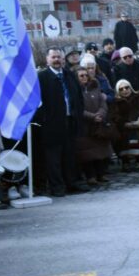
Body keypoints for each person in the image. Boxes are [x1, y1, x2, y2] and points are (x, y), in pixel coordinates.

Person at [36, 47, 88, 196]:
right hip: (51, 125)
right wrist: (44, 120)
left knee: (70, 155)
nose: (57, 60)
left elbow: (78, 97)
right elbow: (37, 103)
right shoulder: (42, 78)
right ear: (47, 60)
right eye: (53, 57)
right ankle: (57, 186)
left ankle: (71, 183)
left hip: (70, 121)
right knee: (53, 159)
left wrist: (77, 114)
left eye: (59, 57)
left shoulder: (69, 75)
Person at [74, 66, 113, 184]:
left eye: (86, 75)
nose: (85, 77)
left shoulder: (95, 86)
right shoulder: (75, 90)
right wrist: (92, 116)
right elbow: (77, 108)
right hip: (85, 126)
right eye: (81, 75)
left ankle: (101, 174)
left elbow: (103, 103)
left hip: (99, 124)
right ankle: (90, 176)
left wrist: (100, 114)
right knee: (87, 153)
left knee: (102, 150)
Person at [112, 80, 139, 171]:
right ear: (118, 91)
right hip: (124, 126)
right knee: (122, 139)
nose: (125, 90)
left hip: (138, 123)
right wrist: (124, 124)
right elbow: (115, 115)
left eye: (127, 87)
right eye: (121, 89)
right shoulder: (116, 101)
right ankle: (125, 162)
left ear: (130, 87)